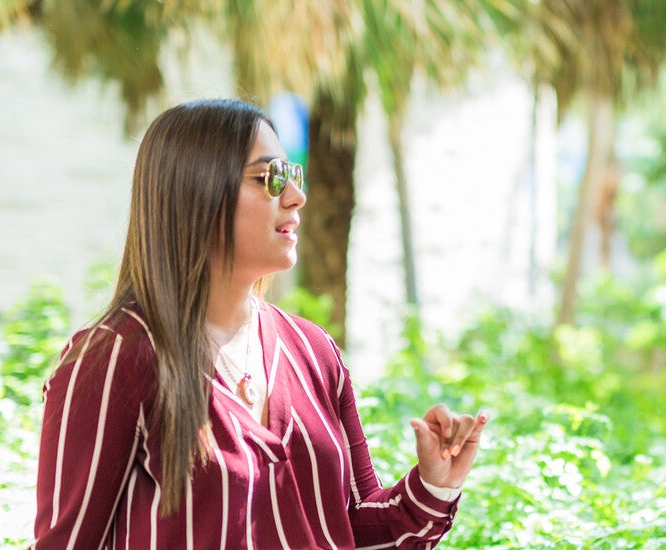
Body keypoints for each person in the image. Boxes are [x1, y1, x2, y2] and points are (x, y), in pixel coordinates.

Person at [34, 99, 489, 549]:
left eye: (293, 177)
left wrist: (433, 487)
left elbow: (350, 527)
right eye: (269, 178)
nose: (296, 197)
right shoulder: (114, 358)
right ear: (196, 192)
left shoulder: (314, 351)